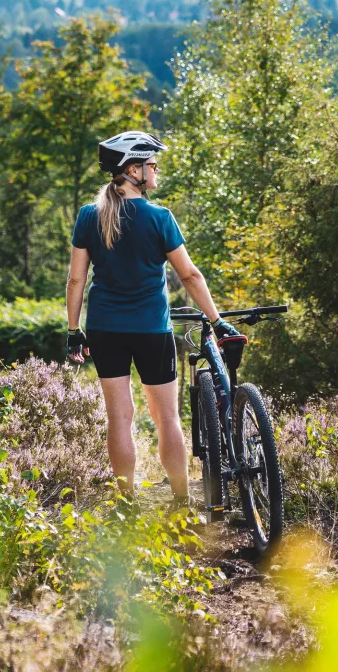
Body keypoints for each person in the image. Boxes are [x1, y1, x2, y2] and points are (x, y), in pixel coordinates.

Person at [65, 131, 246, 506]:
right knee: (167, 419)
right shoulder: (160, 218)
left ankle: (126, 503)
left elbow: (76, 279)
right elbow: (191, 276)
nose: (157, 170)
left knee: (120, 418)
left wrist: (73, 330)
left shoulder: (88, 216)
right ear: (134, 170)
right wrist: (217, 321)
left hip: (104, 328)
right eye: (152, 165)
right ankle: (181, 500)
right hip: (152, 330)